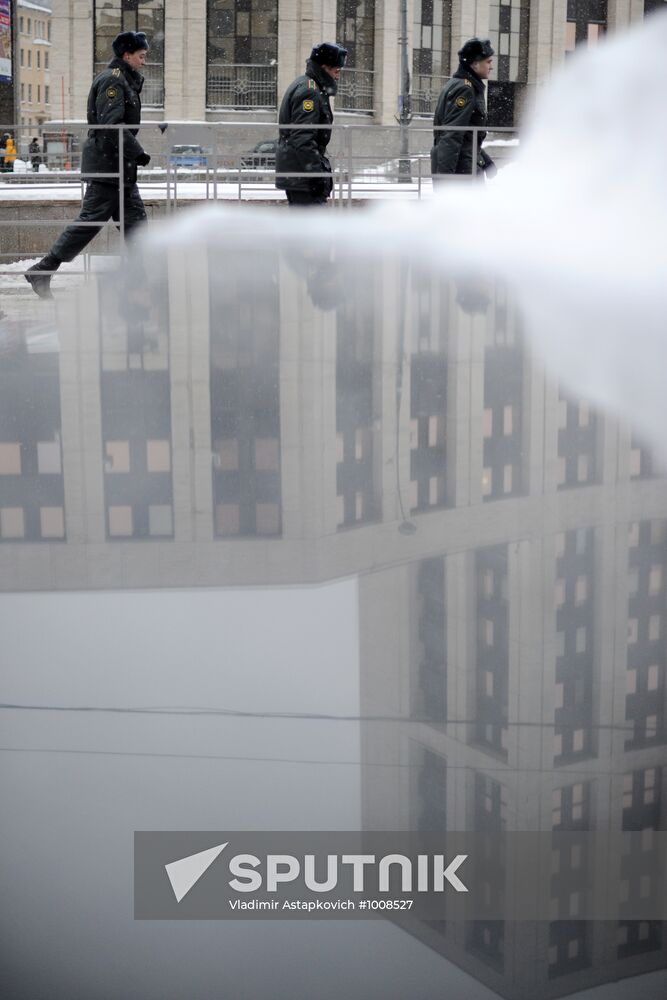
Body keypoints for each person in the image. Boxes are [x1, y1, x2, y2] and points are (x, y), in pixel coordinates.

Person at [25, 31, 152, 299]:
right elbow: (110, 126)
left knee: (136, 224)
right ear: (126, 55)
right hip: (109, 168)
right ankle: (42, 269)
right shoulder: (113, 82)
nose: (144, 62)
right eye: (141, 57)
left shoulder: (125, 81)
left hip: (119, 168)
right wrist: (137, 152)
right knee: (89, 224)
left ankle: (139, 280)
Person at [275, 42, 347, 206]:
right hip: (302, 176)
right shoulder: (310, 92)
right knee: (310, 228)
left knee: (304, 227)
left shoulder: (308, 85)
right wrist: (315, 176)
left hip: (299, 174)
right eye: (336, 71)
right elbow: (303, 138)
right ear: (324, 67)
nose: (338, 76)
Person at [431, 38, 496, 183]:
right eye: (488, 62)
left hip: (466, 167)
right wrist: (445, 180)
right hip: (463, 172)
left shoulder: (462, 85)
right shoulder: (465, 89)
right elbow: (452, 133)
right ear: (474, 64)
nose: (491, 67)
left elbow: (467, 137)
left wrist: (485, 161)